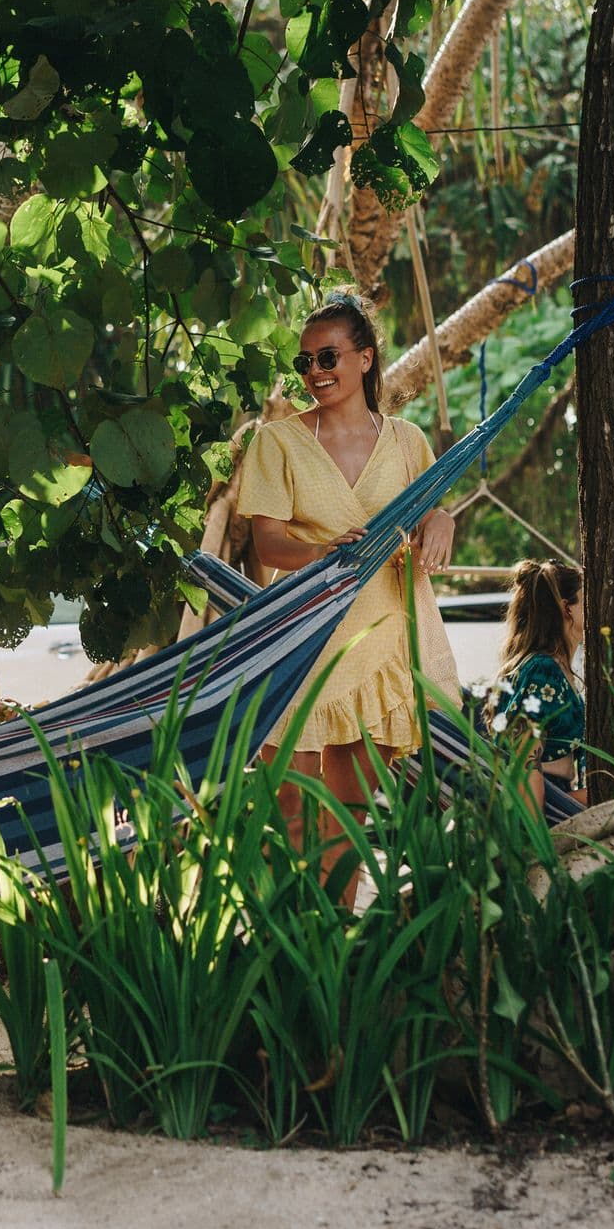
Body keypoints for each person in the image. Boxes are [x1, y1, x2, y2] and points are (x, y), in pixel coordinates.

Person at [237, 292, 456, 889]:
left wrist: (443, 520)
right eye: (304, 363)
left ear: (364, 358)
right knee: (291, 807)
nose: (314, 373)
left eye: (327, 357)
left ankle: (333, 949)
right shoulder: (277, 442)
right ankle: (290, 937)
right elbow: (268, 545)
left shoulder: (409, 442)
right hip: (305, 634)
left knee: (348, 820)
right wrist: (324, 554)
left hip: (380, 638)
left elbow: (432, 508)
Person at [482, 560, 587, 810]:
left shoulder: (553, 669)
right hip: (541, 800)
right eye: (586, 598)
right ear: (567, 608)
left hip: (555, 794)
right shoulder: (543, 670)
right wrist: (535, 835)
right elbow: (524, 757)